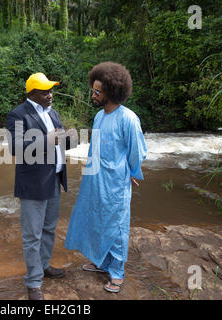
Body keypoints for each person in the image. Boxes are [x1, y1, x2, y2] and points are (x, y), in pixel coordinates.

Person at [65, 62, 147, 293]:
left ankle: (117, 273)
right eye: (93, 90)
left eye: (97, 91)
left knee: (118, 226)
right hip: (96, 181)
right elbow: (94, 151)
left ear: (111, 92)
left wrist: (132, 172)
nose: (93, 94)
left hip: (116, 184)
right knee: (97, 220)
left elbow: (137, 151)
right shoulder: (99, 117)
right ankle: (101, 262)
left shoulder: (128, 119)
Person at [6, 72, 77, 300]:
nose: (50, 94)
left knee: (48, 229)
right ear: (33, 93)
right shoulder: (18, 115)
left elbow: (62, 141)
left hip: (54, 180)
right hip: (33, 184)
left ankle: (44, 266)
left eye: (51, 90)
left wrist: (72, 138)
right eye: (45, 91)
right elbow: (16, 148)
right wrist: (48, 138)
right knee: (32, 235)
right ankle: (34, 282)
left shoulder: (52, 113)